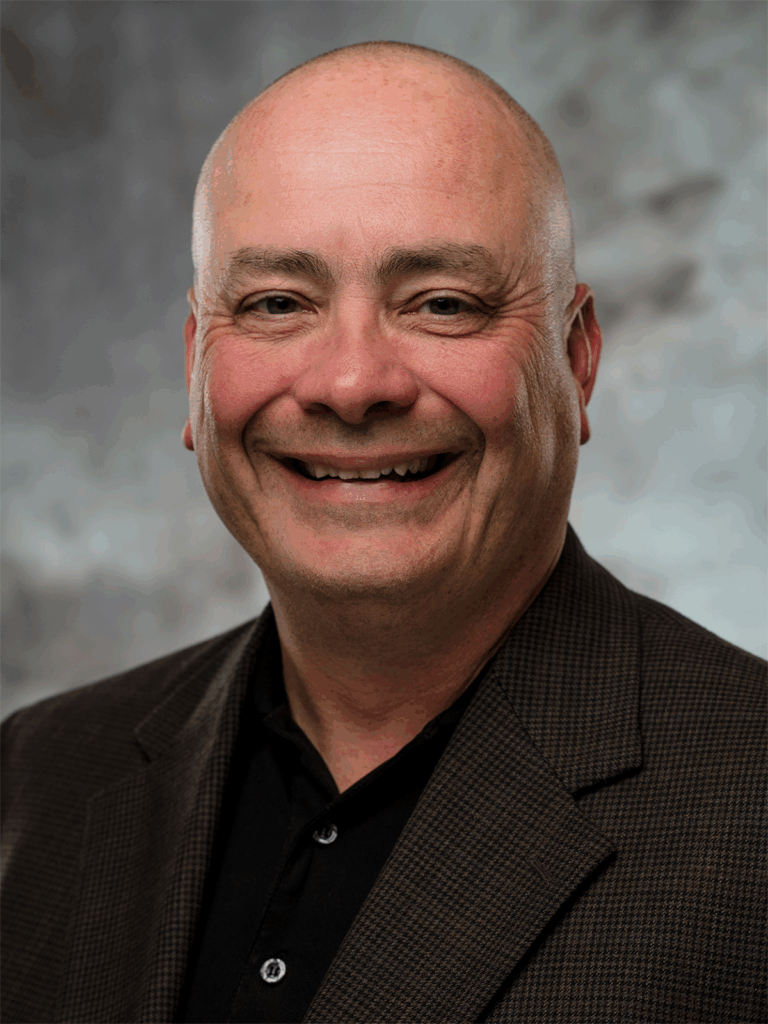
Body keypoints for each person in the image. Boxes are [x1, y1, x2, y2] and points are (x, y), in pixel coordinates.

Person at [1, 40, 764, 1024]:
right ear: (196, 367)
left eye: (443, 304)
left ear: (576, 361)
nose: (352, 384)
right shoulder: (34, 783)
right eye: (278, 303)